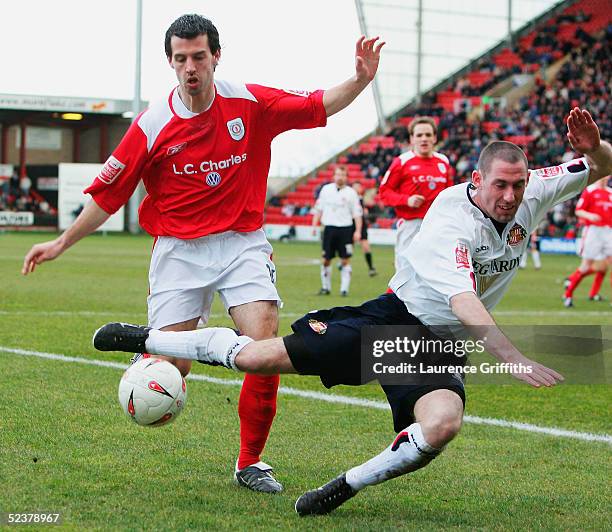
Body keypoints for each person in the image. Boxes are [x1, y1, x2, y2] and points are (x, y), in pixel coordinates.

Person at [93, 108, 611, 515]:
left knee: (443, 424)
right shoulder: (449, 221)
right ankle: (147, 339)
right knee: (255, 359)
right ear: (476, 180)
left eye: (518, 186)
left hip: (436, 348)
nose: (510, 195)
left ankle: (344, 486)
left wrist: (597, 149)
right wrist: (513, 359)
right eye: (500, 185)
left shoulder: (531, 192)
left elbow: (599, 165)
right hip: (394, 322)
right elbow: (465, 303)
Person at [21, 14, 385, 493]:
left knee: (264, 348)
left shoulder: (248, 101)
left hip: (242, 243)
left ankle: (251, 462)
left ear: (216, 55)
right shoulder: (153, 124)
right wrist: (60, 242)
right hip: (179, 251)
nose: (190, 67)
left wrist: (359, 80)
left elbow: (317, 105)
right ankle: (151, 355)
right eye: (180, 59)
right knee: (175, 367)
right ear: (170, 63)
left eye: (198, 57)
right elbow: (107, 196)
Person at [379, 116, 452, 270]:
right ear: (412, 139)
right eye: (419, 135)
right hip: (411, 225)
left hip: (437, 226)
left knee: (436, 272)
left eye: (428, 135)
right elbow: (384, 193)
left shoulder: (443, 161)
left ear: (435, 138)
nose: (424, 139)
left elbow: (449, 194)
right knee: (405, 275)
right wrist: (407, 200)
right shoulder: (402, 161)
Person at [311, 166, 363, 296]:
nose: (340, 177)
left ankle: (344, 289)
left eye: (343, 175)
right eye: (338, 174)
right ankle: (325, 288)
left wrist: (357, 231)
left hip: (346, 229)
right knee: (326, 259)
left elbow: (357, 214)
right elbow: (318, 209)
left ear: (346, 177)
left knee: (345, 259)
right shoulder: (326, 190)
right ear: (334, 176)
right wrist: (314, 225)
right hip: (329, 228)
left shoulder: (351, 193)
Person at [563, 176, 612, 306]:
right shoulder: (590, 191)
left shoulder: (610, 193)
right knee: (586, 266)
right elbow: (578, 211)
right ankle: (568, 295)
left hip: (608, 232)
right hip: (593, 232)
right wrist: (590, 215)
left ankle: (592, 293)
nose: (605, 178)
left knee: (604, 267)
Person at [352, 181, 377, 277]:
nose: (356, 189)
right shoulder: (349, 198)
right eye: (354, 187)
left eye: (358, 187)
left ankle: (371, 268)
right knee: (349, 247)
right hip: (349, 224)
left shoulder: (362, 199)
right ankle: (344, 264)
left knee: (366, 246)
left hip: (361, 225)